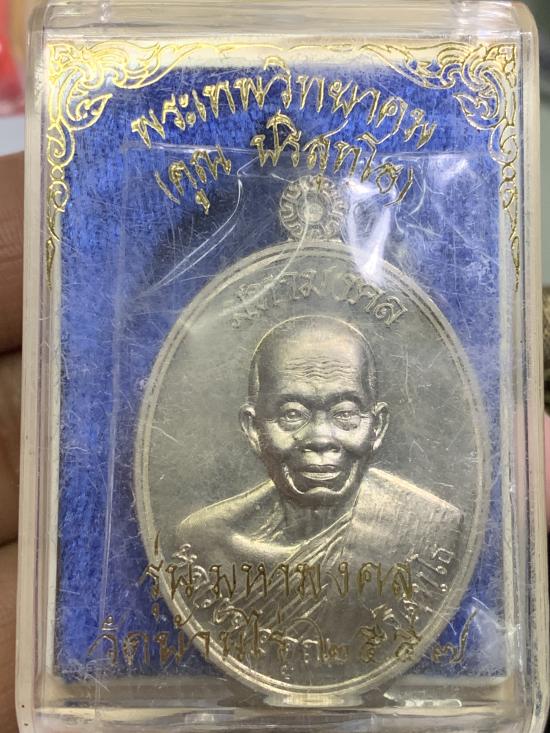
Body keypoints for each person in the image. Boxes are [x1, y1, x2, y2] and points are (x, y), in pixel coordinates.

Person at [177, 315, 463, 631]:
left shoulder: (427, 530)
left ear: (377, 427)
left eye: (345, 413)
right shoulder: (206, 542)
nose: (321, 439)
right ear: (254, 429)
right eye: (292, 414)